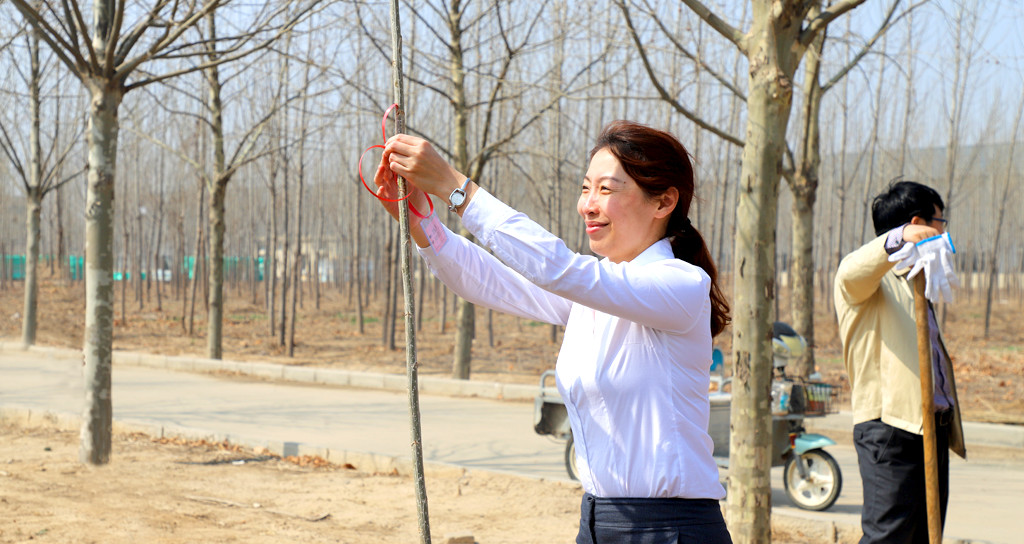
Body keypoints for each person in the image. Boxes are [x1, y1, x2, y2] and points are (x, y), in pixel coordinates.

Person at [373, 120, 732, 543]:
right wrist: (421, 219)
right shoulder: (594, 294)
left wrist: (455, 187)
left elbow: (558, 269)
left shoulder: (681, 285)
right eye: (585, 188)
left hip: (672, 530)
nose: (588, 205)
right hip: (598, 523)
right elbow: (491, 282)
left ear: (664, 201)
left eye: (606, 190)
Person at [834, 180, 966, 544]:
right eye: (940, 221)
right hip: (890, 429)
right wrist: (900, 237)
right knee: (889, 537)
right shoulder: (872, 281)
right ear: (918, 224)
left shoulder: (917, 279)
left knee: (924, 535)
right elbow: (850, 271)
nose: (944, 231)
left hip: (931, 428)